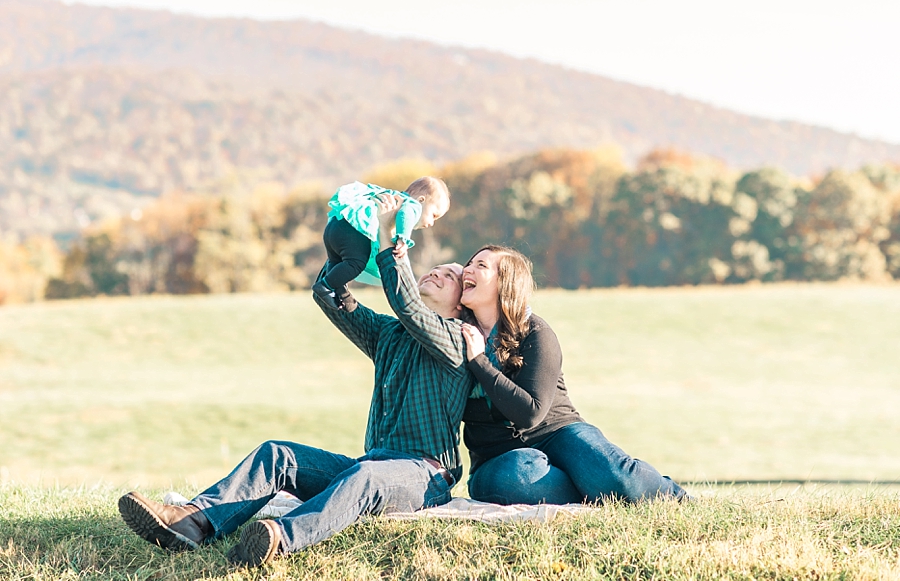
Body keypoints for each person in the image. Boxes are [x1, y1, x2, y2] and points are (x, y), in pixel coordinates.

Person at [118, 201, 472, 568]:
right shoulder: (390, 334)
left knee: (365, 477)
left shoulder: (456, 339)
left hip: (423, 475)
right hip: (371, 464)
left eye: (451, 276)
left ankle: (279, 537)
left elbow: (408, 305)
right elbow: (331, 297)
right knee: (277, 454)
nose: (437, 273)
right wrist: (341, 250)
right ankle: (192, 521)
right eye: (437, 268)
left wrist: (392, 233)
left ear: (461, 304)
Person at [458, 245, 689, 505]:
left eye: (481, 266)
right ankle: (593, 489)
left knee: (619, 481)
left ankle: (672, 496)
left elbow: (530, 413)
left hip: (559, 433)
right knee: (518, 477)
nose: (468, 269)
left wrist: (479, 361)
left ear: (506, 283)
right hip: (497, 458)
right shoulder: (453, 338)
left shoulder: (535, 332)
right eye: (469, 263)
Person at [312, 176, 450, 311]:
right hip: (353, 231)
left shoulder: (391, 196)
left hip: (335, 225)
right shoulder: (411, 204)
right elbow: (406, 213)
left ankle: (338, 289)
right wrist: (403, 238)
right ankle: (325, 286)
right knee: (356, 262)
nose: (432, 223)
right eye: (434, 215)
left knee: (336, 261)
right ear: (421, 200)